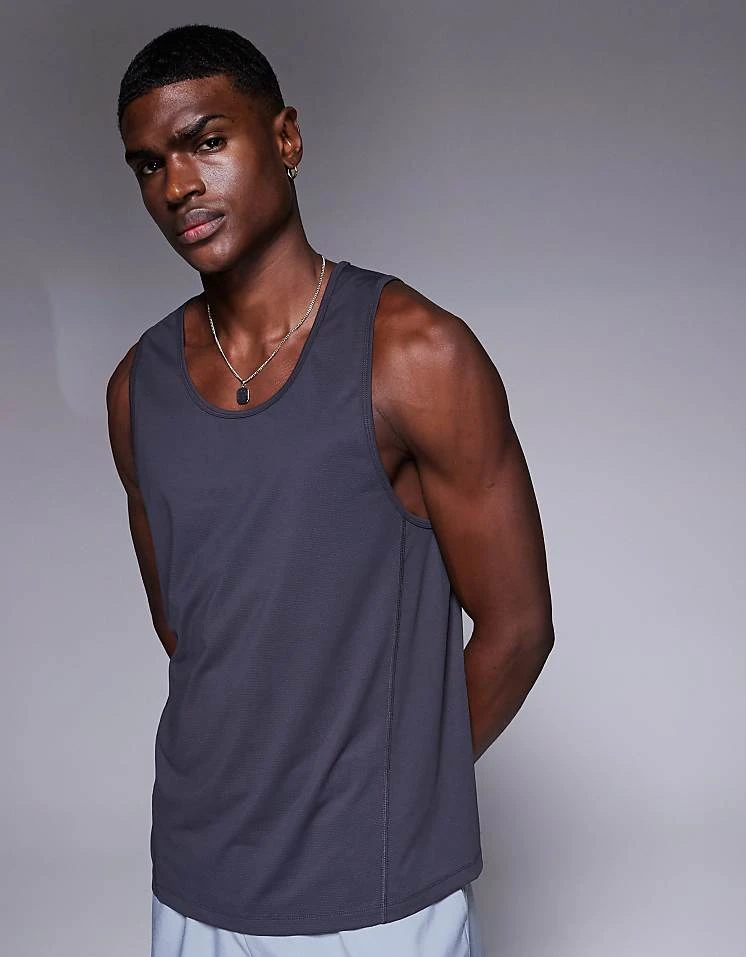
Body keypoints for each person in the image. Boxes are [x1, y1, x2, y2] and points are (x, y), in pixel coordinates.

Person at [106, 23, 554, 957]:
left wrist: (393, 794)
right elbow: (191, 625)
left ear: (287, 138)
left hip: (376, 896)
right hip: (195, 876)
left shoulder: (416, 354)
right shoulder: (136, 387)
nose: (177, 185)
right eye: (149, 165)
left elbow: (518, 628)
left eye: (206, 141)